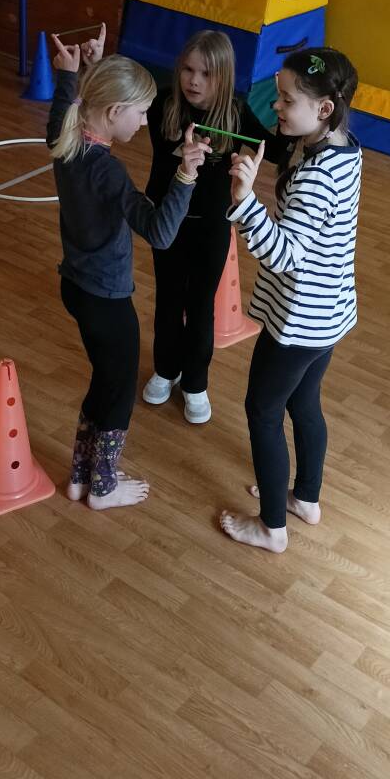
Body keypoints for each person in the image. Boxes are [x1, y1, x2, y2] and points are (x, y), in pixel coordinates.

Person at [47, 28, 210, 510]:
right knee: (118, 393)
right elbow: (159, 232)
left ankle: (80, 476)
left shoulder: (65, 139)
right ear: (115, 111)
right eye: (140, 113)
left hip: (76, 287)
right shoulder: (107, 170)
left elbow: (66, 106)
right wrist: (185, 175)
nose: (143, 122)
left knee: (104, 379)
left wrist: (80, 72)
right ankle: (102, 488)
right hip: (107, 299)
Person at [219, 47, 362, 553]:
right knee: (304, 403)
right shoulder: (341, 148)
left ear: (324, 108)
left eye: (286, 99)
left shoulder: (317, 176)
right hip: (328, 314)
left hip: (299, 322)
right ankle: (305, 498)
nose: (275, 106)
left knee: (262, 411)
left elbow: (284, 254)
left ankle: (272, 528)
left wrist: (244, 201)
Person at [142, 30, 288, 425]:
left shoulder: (236, 114)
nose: (194, 81)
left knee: (200, 305)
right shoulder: (163, 105)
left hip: (210, 227)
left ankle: (195, 382)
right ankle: (165, 369)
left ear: (223, 78)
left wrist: (284, 110)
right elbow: (157, 159)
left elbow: (277, 150)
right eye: (188, 70)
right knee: (169, 299)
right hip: (167, 223)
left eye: (206, 74)